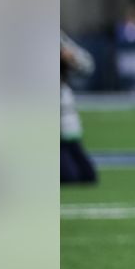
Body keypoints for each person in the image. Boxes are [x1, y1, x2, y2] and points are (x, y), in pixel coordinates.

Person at [61, 31, 97, 184]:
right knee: (69, 177)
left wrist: (71, 58)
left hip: (68, 131)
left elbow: (88, 64)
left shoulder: (59, 39)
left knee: (88, 176)